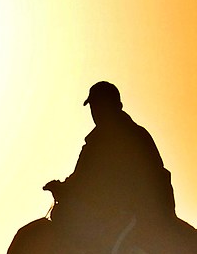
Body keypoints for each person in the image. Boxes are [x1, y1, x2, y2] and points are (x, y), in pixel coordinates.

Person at [50, 80, 178, 239]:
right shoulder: (133, 134)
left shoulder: (106, 140)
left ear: (115, 106)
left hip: (128, 214)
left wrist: (64, 189)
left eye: (99, 106)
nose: (95, 112)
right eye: (93, 107)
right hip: (144, 210)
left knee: (72, 222)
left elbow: (85, 179)